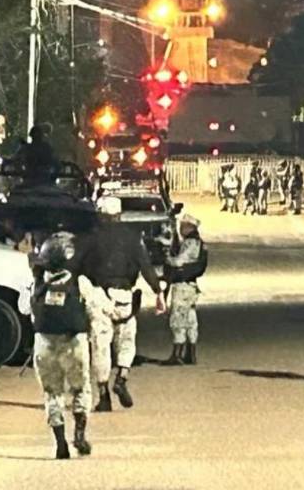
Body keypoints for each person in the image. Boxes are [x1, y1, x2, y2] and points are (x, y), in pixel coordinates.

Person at [84, 196, 166, 412]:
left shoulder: (90, 237)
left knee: (100, 345)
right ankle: (122, 376)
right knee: (127, 341)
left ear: (100, 214)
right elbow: (145, 266)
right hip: (126, 297)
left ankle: (103, 395)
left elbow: (80, 267)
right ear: (119, 215)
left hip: (99, 295)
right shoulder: (132, 237)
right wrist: (158, 292)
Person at [30, 233, 94, 459]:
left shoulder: (37, 284)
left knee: (52, 393)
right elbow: (93, 310)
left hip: (44, 343)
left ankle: (60, 443)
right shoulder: (80, 282)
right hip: (74, 342)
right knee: (80, 388)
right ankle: (80, 434)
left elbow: (27, 310)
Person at [164, 214, 206, 365]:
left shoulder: (190, 243)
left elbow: (179, 262)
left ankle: (177, 354)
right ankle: (190, 353)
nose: (181, 229)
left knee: (177, 319)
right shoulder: (198, 242)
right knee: (190, 320)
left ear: (189, 227)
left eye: (183, 226)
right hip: (191, 285)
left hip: (182, 285)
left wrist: (167, 258)